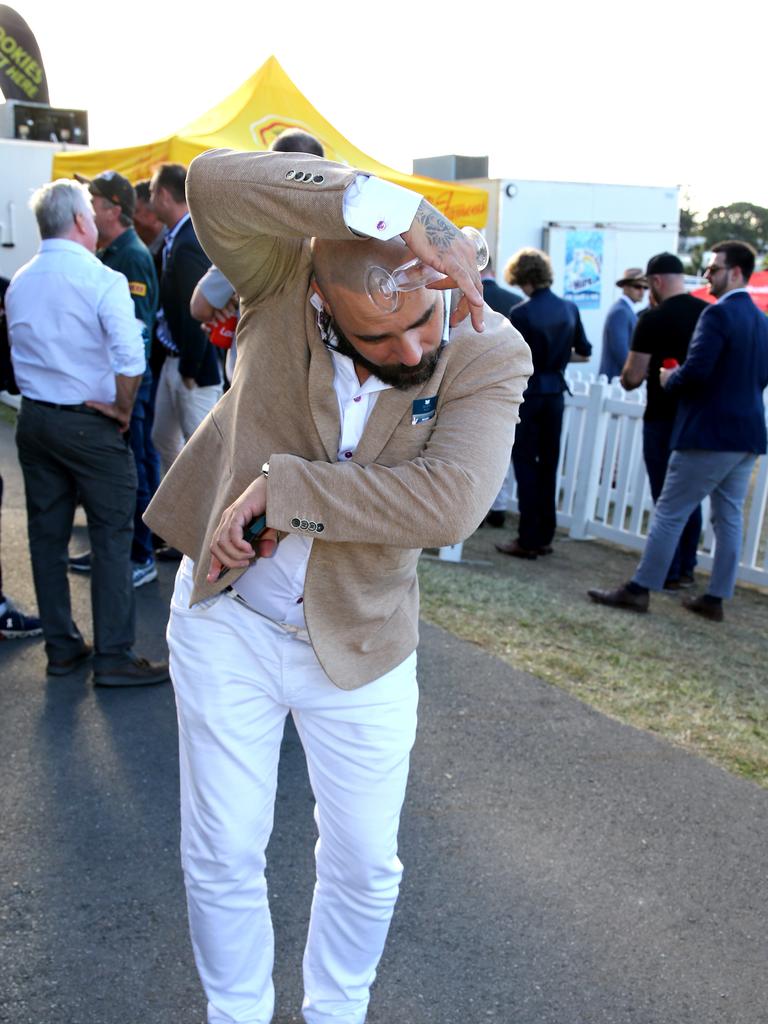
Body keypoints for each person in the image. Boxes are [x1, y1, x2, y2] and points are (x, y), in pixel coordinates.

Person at [143, 147, 532, 1024]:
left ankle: (335, 1013)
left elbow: (449, 503)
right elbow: (212, 183)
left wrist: (289, 490)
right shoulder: (279, 279)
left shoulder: (484, 342)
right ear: (320, 302)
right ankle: (236, 1013)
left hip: (365, 641)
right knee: (224, 849)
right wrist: (402, 212)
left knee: (366, 861)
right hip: (226, 621)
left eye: (422, 324)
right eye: (380, 337)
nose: (414, 349)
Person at [5, 179, 169, 685]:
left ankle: (62, 647)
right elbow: (130, 355)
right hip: (90, 423)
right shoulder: (101, 279)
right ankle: (114, 656)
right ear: (80, 220)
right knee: (112, 536)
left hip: (35, 420)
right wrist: (122, 410)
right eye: (91, 215)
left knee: (46, 537)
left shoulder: (20, 281)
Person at [589, 240, 768, 622]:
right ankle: (716, 597)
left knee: (670, 511)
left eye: (714, 268)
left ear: (735, 272)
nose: (707, 275)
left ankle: (640, 589)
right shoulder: (760, 320)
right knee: (729, 517)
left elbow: (696, 370)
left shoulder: (717, 316)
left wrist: (670, 377)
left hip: (708, 432)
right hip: (748, 432)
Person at [68, 171, 161, 588]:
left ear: (113, 209)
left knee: (136, 471)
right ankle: (115, 549)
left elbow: (136, 335)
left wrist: (129, 396)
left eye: (94, 202)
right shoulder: (111, 253)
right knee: (112, 475)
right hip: (112, 387)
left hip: (131, 389)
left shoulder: (132, 256)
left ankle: (141, 555)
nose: (88, 211)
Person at [495, 247, 592, 559]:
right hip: (555, 393)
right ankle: (544, 536)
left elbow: (510, 357)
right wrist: (558, 358)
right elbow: (584, 353)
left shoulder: (522, 312)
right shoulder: (569, 308)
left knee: (525, 464)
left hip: (529, 393)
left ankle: (527, 539)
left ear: (521, 277)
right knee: (549, 465)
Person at [620, 252, 707, 588]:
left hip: (660, 418)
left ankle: (667, 571)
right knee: (690, 498)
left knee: (665, 499)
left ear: (655, 282)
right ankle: (686, 566)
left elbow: (633, 376)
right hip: (695, 418)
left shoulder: (652, 319)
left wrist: (627, 375)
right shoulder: (707, 314)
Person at [149, 163, 220, 476]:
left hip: (191, 368)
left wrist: (190, 369)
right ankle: (176, 519)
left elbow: (199, 313)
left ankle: (206, 522)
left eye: (151, 192)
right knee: (163, 438)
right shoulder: (176, 237)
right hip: (173, 360)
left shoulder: (190, 239)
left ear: (164, 195)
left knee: (204, 453)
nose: (150, 199)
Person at [598, 267, 646, 379]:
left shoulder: (626, 310)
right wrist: (635, 374)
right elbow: (620, 351)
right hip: (616, 378)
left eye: (645, 287)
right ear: (625, 287)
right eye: (637, 286)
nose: (642, 291)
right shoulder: (620, 311)